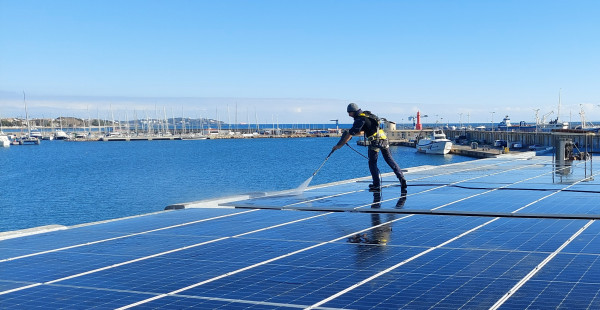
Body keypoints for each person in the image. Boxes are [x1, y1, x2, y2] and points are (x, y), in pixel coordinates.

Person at [332, 103, 407, 193]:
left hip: (375, 142)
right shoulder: (368, 115)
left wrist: (339, 146)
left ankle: (376, 185)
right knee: (389, 160)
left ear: (354, 111)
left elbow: (351, 133)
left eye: (350, 113)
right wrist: (351, 133)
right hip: (384, 139)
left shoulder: (359, 119)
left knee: (372, 163)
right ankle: (402, 179)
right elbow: (363, 131)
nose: (349, 115)